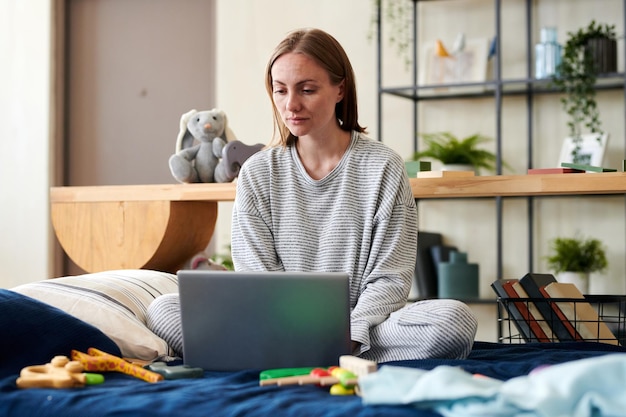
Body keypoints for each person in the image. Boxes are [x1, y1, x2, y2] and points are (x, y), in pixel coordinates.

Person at [148, 28, 477, 362]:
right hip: (274, 325)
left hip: (360, 332)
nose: (291, 105)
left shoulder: (383, 167)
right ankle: (296, 351)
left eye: (307, 89)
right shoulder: (257, 172)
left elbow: (389, 280)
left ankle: (286, 354)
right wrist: (291, 332)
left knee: (453, 321)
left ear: (340, 89)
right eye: (280, 91)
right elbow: (258, 277)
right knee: (163, 309)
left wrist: (345, 337)